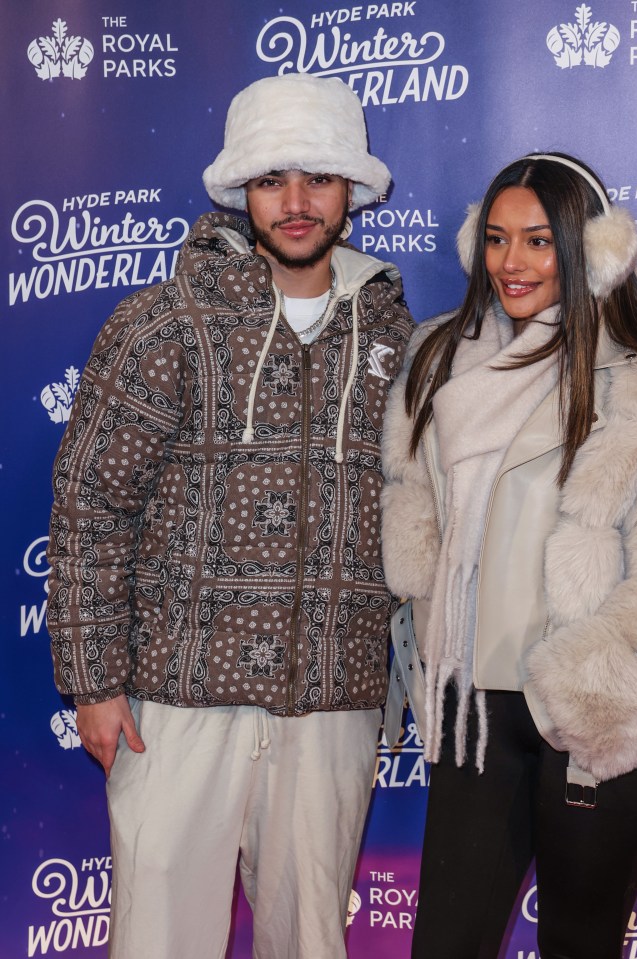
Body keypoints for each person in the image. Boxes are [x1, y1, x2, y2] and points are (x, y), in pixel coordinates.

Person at [46, 72, 413, 959]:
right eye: (270, 180)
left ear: (353, 191)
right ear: (241, 190)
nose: (294, 203)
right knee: (159, 938)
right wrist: (94, 681)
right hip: (175, 698)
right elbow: (90, 506)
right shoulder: (160, 324)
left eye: (317, 178)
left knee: (310, 938)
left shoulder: (401, 343)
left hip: (330, 697)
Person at [380, 152, 637, 959]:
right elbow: (418, 526)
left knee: (580, 947)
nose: (510, 263)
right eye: (493, 239)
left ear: (591, 250)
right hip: (472, 716)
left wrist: (603, 683)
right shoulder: (441, 361)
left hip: (591, 721)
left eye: (537, 241)